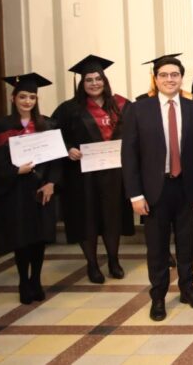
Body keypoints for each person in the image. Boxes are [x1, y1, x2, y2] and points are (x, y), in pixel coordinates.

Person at [120, 55, 193, 321]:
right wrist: (135, 194)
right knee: (157, 247)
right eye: (164, 75)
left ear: (181, 78)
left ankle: (187, 288)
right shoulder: (139, 110)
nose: (169, 79)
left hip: (186, 188)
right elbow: (130, 156)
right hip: (153, 191)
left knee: (187, 244)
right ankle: (158, 295)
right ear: (156, 78)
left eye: (174, 75)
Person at [52, 56, 134, 284]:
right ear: (82, 83)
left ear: (105, 81)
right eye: (89, 80)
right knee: (86, 218)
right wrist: (68, 149)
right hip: (82, 176)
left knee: (112, 217)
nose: (94, 83)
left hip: (114, 175)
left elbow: (135, 134)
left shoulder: (122, 104)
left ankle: (114, 260)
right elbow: (53, 136)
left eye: (98, 79)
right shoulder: (69, 109)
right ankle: (92, 264)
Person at [0, 73, 60, 305]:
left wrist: (51, 183)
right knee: (22, 238)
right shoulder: (2, 127)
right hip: (16, 191)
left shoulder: (46, 124)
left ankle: (36, 280)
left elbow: (55, 160)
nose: (27, 101)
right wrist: (14, 172)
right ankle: (23, 281)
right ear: (13, 98)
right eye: (23, 97)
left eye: (32, 97)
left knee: (39, 238)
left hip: (41, 189)